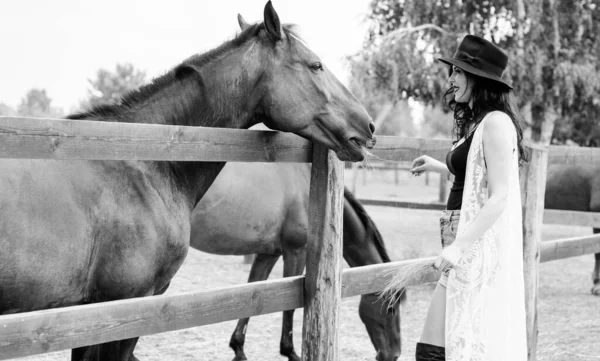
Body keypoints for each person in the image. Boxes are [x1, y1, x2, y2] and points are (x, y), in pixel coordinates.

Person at [409, 35, 528, 361]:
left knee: (437, 349)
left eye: (458, 72)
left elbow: (499, 195)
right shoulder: (478, 122)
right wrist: (439, 166)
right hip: (460, 240)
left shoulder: (497, 124)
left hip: (473, 246)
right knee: (445, 346)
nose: (451, 78)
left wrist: (459, 247)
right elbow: (473, 178)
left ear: (478, 79)